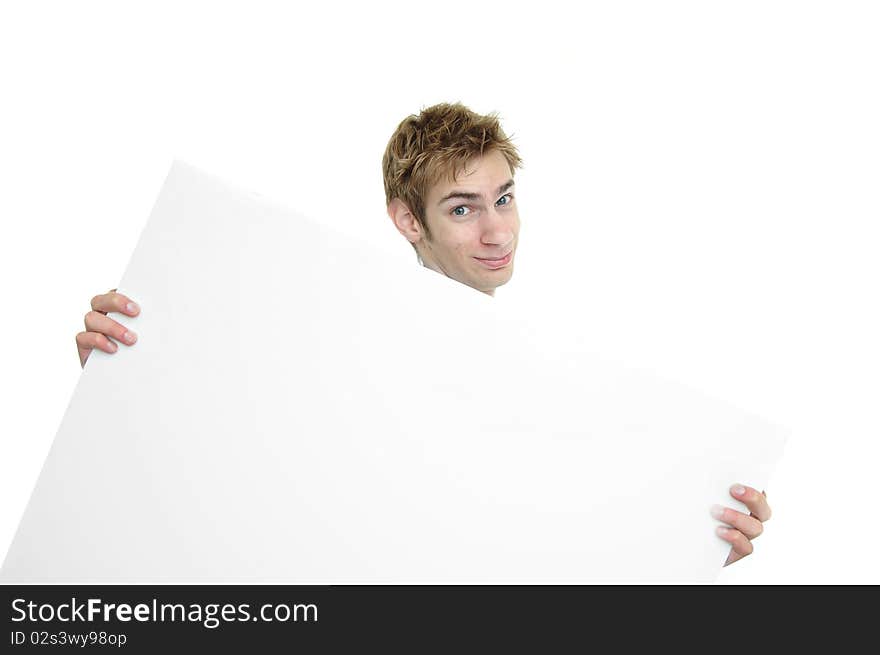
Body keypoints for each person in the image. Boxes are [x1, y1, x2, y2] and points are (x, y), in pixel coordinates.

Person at [73, 102, 772, 568]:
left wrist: (697, 540)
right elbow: (240, 471)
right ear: (408, 221)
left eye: (504, 199)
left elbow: (554, 544)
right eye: (463, 208)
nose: (497, 230)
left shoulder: (557, 381)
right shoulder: (326, 333)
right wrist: (125, 376)